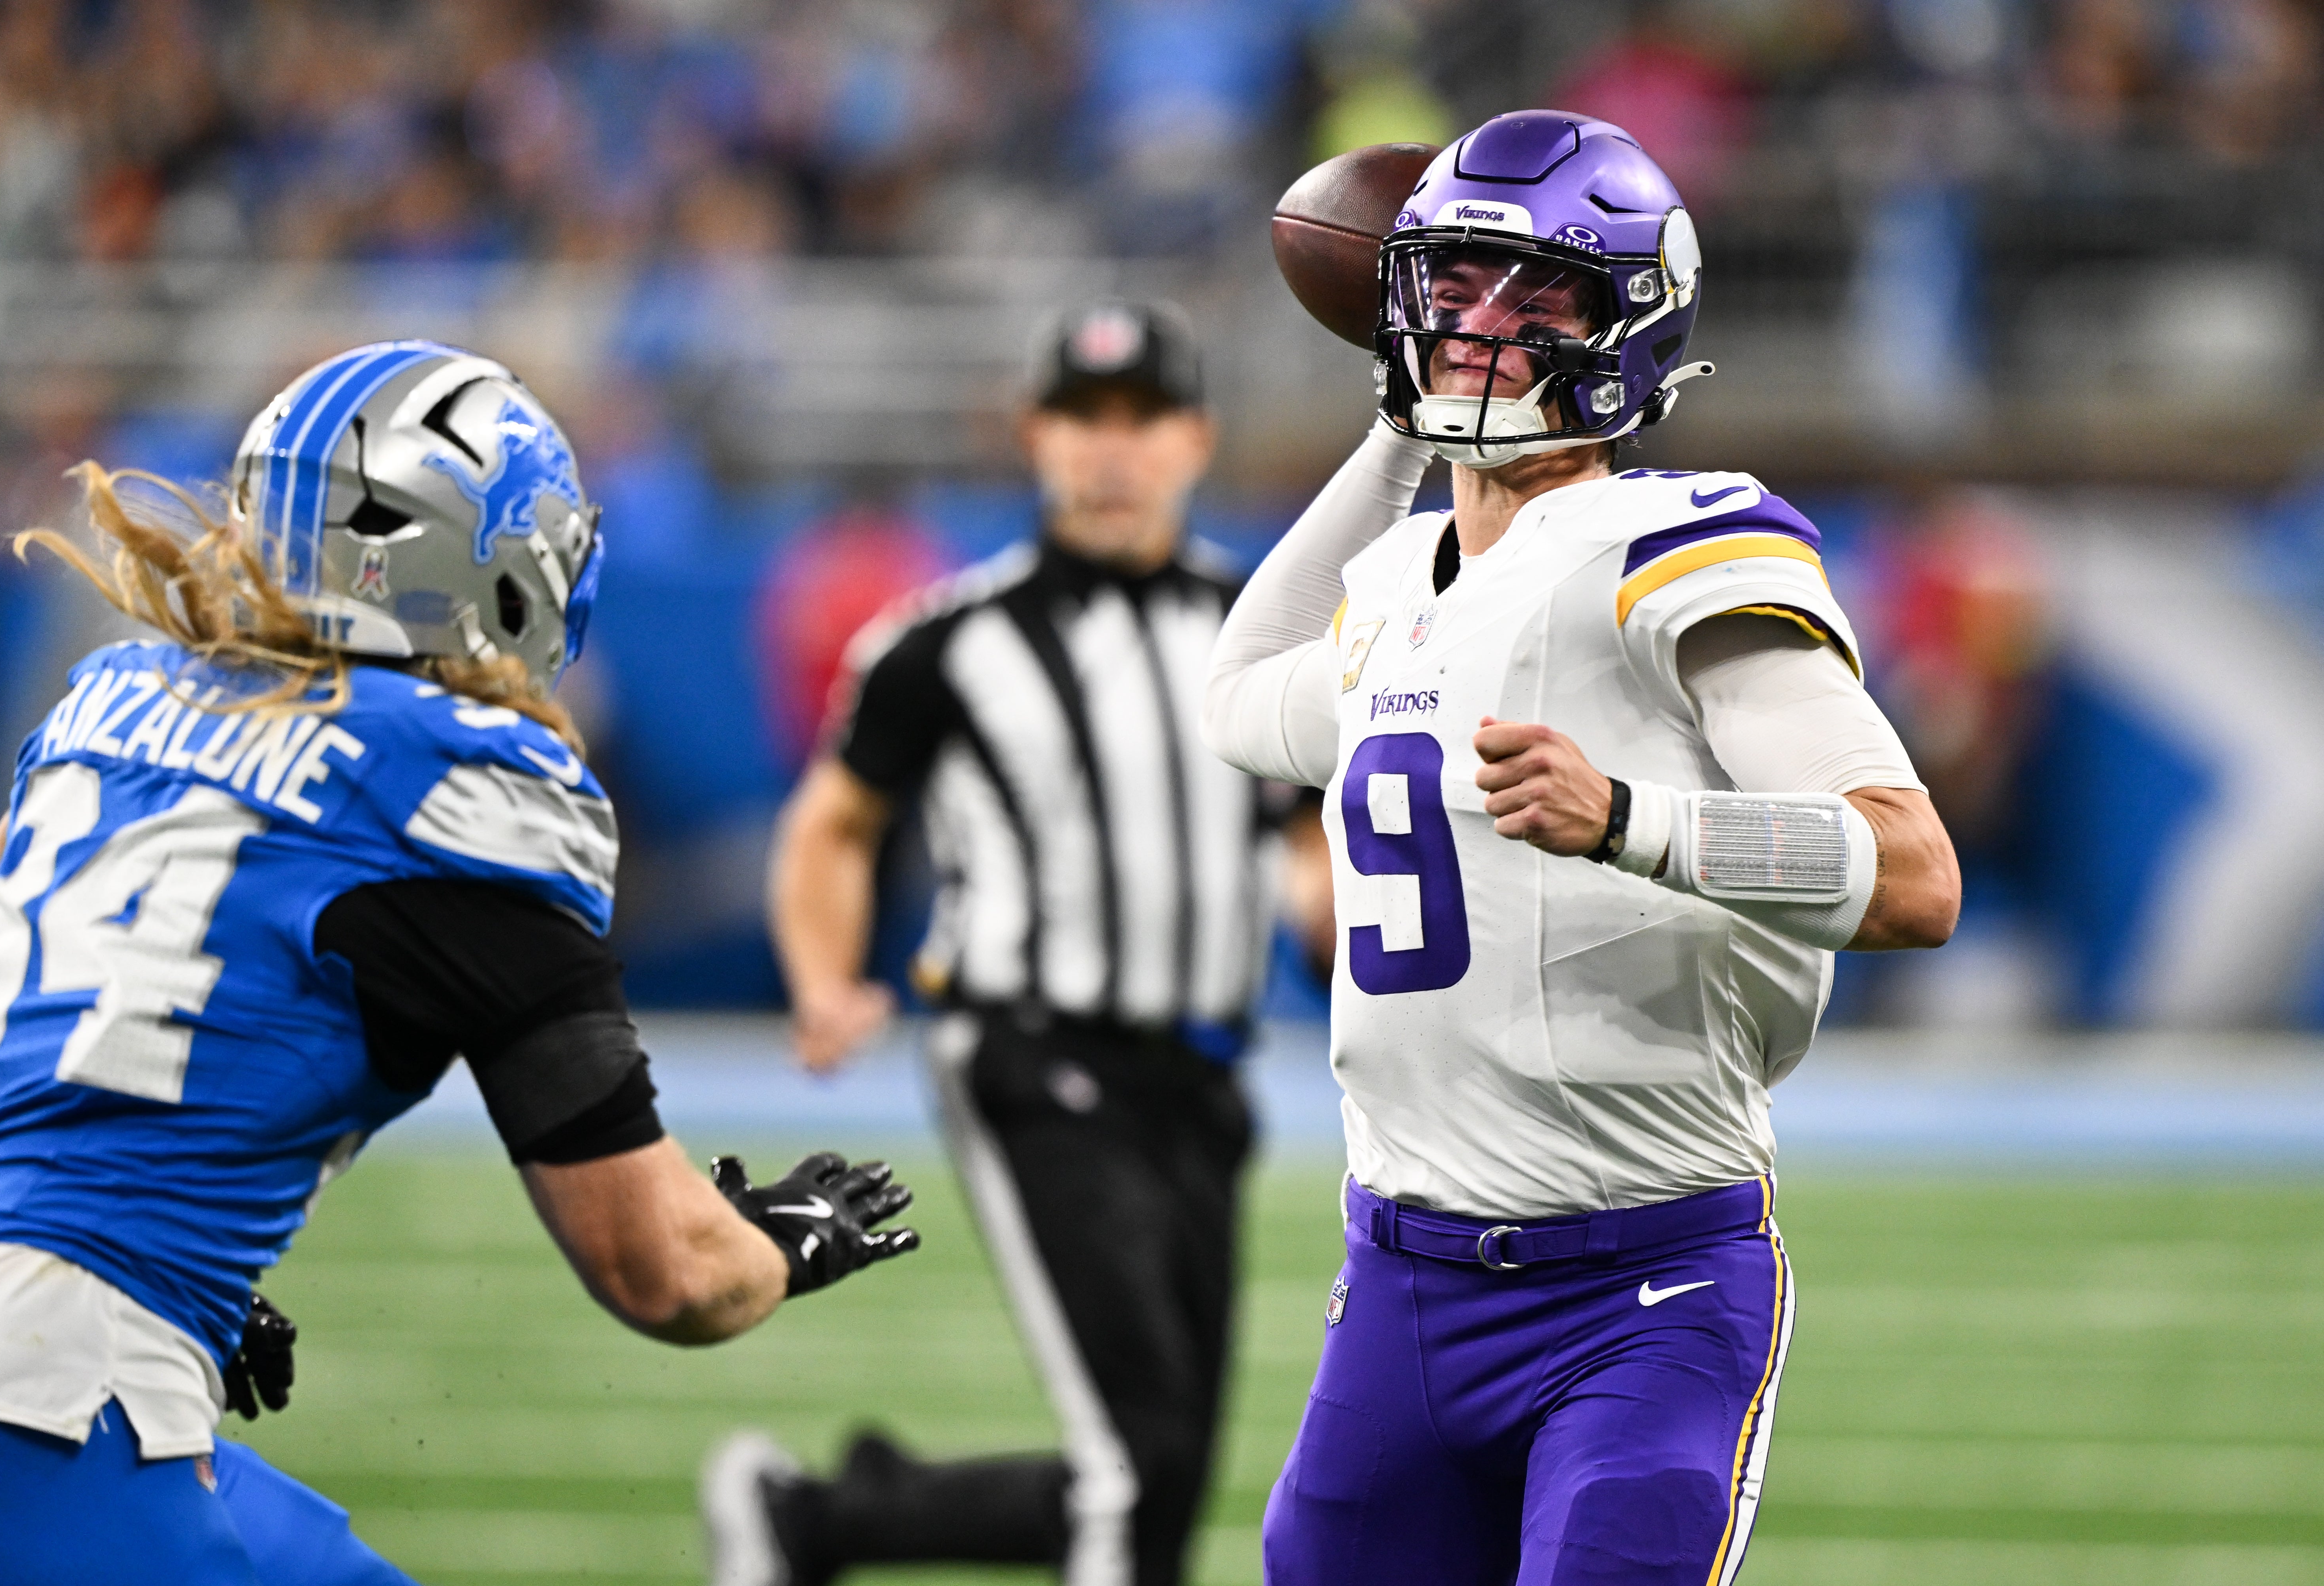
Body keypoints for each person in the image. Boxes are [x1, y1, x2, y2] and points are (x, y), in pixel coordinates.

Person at [0, 340, 920, 1585]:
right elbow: (661, 1272)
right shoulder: (458, 798)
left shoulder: (112, 701)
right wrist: (782, 1242)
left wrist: (139, 1259)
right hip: (38, 1402)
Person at [1201, 111, 1962, 1585]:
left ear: (1626, 326)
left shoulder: (1674, 537)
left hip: (1643, 1286)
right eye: (1449, 287)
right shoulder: (1395, 591)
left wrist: (1633, 822)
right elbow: (1236, 699)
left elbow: (1912, 872)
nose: (1480, 328)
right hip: (1402, 1284)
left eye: (1532, 294)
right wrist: (1393, 428)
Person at [712, 300, 1315, 1586]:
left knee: (1158, 1479)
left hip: (1203, 1078)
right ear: (1032, 436)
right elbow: (832, 824)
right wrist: (825, 980)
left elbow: (1308, 833)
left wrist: (1341, 927)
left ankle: (819, 1521)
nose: (1111, 451)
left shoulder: (1258, 632)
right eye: (1080, 419)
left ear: (1194, 437)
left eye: (1141, 418)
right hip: (1031, 1057)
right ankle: (818, 1519)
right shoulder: (949, 641)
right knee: (1136, 1467)